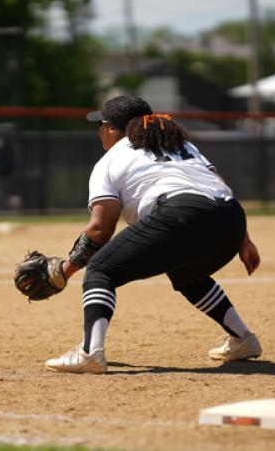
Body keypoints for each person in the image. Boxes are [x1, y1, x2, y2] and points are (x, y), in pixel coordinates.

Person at [45, 95, 262, 374]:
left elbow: (101, 229)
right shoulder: (181, 145)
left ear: (111, 128)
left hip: (181, 213)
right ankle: (243, 339)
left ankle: (90, 352)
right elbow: (215, 185)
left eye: (100, 124)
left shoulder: (111, 159)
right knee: (186, 272)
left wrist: (66, 270)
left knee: (100, 270)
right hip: (231, 219)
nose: (99, 131)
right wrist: (244, 239)